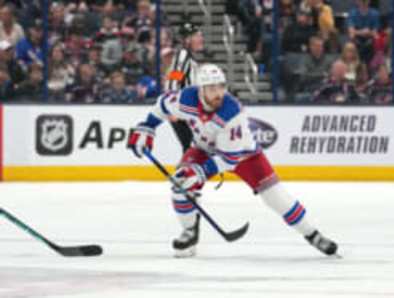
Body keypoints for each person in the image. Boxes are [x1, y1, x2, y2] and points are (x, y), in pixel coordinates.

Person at [128, 63, 338, 258]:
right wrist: (147, 127)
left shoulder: (231, 111)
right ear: (201, 89)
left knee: (276, 197)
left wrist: (200, 173)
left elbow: (230, 159)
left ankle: (312, 234)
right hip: (203, 148)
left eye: (221, 87)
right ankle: (189, 233)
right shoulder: (185, 99)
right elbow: (162, 106)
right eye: (211, 88)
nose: (218, 93)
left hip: (245, 156)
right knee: (180, 182)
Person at [164, 22, 204, 153]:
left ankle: (186, 172)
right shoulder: (183, 54)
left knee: (192, 149)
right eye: (197, 36)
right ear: (187, 39)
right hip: (181, 111)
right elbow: (173, 81)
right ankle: (185, 173)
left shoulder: (190, 58)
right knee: (191, 149)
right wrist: (173, 110)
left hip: (188, 112)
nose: (201, 39)